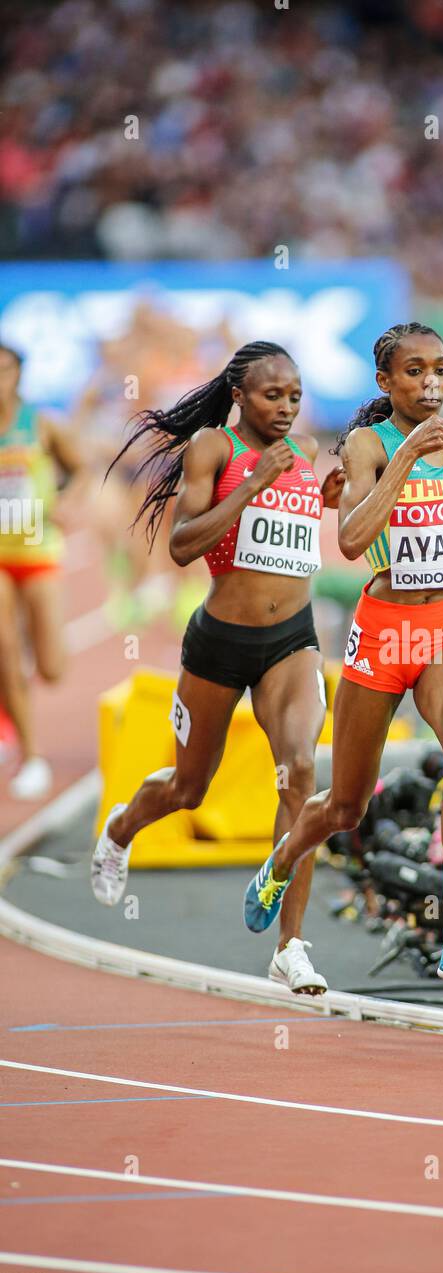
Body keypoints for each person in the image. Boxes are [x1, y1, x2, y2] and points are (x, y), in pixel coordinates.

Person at [243, 322, 443, 993]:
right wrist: (405, 457)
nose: (431, 384)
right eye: (415, 372)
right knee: (345, 807)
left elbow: (438, 514)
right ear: (386, 383)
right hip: (386, 632)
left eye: (441, 371)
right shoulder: (370, 444)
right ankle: (281, 862)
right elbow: (354, 536)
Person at [90, 341, 346, 992]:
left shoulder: (309, 452)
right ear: (240, 395)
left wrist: (329, 498)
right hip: (219, 643)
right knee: (188, 787)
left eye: (294, 395)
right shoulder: (213, 448)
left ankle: (290, 944)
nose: (287, 408)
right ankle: (122, 828)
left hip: (293, 638)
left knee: (301, 772)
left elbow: (291, 528)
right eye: (272, 395)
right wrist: (254, 485)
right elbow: (181, 545)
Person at [0, 343, 89, 799]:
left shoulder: (42, 424)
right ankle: (30, 756)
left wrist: (66, 505)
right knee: (5, 649)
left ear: (19, 374)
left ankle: (13, 686)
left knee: (51, 667)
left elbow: (81, 469)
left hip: (37, 552)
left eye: (6, 369)